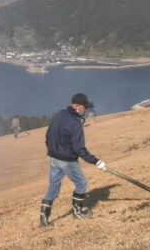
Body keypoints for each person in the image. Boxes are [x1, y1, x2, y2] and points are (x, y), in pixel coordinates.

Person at [39, 93, 107, 227]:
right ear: (77, 106)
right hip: (67, 159)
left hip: (53, 158)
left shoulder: (60, 114)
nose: (85, 110)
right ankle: (77, 212)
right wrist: (97, 162)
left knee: (53, 186)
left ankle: (43, 220)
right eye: (84, 107)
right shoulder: (76, 123)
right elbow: (79, 149)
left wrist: (50, 151)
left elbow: (48, 135)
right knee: (81, 182)